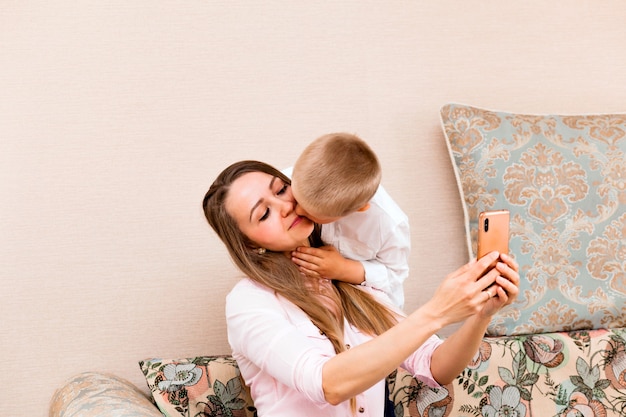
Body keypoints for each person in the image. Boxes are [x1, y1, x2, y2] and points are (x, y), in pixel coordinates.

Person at [202, 160, 519, 417]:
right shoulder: (249, 302)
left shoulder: (350, 278)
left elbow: (436, 366)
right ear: (250, 244)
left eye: (282, 189)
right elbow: (328, 384)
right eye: (264, 213)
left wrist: (482, 313)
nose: (285, 206)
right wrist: (437, 311)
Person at [285, 132, 410, 309]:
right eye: (297, 199)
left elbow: (395, 275)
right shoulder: (295, 178)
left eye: (311, 213)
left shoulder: (389, 224)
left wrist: (343, 269)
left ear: (359, 209)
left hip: (369, 306)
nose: (297, 210)